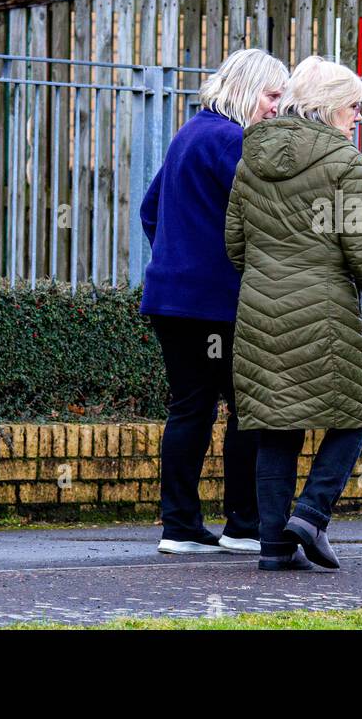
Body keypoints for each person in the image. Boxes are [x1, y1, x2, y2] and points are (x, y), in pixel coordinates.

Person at [225, 56, 362, 571]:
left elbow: (235, 246)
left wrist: (273, 269)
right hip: (325, 313)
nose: (358, 116)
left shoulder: (249, 160)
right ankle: (310, 514)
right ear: (329, 107)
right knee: (357, 414)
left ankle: (274, 549)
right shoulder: (345, 163)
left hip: (259, 314)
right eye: (354, 106)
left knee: (276, 428)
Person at [140, 48, 289, 554]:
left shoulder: (190, 133)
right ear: (248, 90)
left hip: (170, 297)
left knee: (191, 409)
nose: (276, 106)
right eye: (272, 95)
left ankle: (180, 526)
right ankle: (244, 524)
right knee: (249, 410)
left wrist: (176, 254)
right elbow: (271, 213)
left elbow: (149, 208)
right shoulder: (233, 141)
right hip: (217, 304)